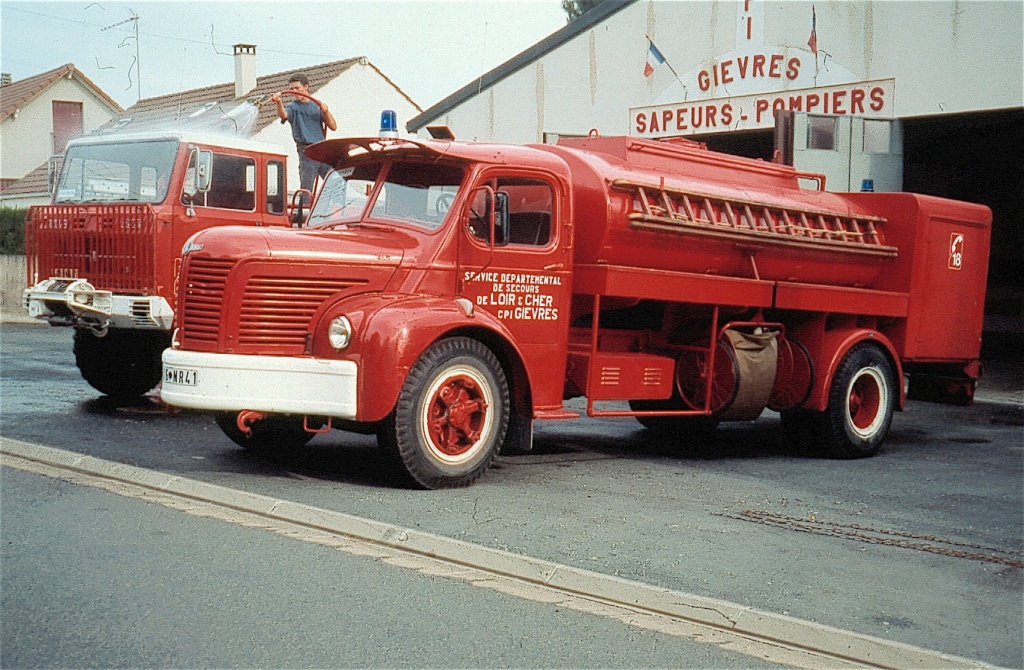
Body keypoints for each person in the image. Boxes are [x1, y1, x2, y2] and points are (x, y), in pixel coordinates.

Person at [271, 73, 337, 205]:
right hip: (307, 151)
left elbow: (333, 126)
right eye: (292, 89)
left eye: (297, 88)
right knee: (307, 188)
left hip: (321, 150)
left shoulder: (316, 106)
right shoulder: (293, 107)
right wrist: (279, 103)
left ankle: (327, 209)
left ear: (306, 87)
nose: (294, 92)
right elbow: (283, 115)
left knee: (335, 180)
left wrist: (326, 111)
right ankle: (304, 216)